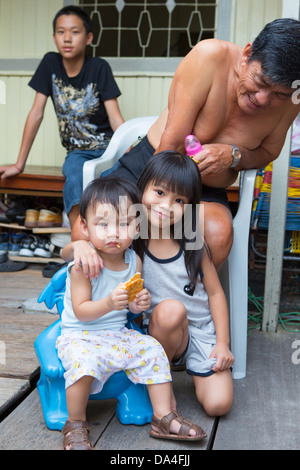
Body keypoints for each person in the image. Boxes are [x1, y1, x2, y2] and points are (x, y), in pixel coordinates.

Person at [71, 18, 300, 269]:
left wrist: (233, 155)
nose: (264, 99)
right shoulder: (209, 57)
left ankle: (179, 301)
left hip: (204, 190)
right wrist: (147, 208)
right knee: (91, 228)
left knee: (216, 236)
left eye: (279, 94)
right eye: (262, 82)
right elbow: (172, 142)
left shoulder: (292, 98)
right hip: (154, 162)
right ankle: (107, 301)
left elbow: (268, 152)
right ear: (247, 54)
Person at [62, 152, 234, 419]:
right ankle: (162, 391)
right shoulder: (129, 238)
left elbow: (215, 293)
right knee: (170, 311)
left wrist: (222, 343)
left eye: (179, 200)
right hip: (160, 331)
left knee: (219, 405)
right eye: (160, 192)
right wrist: (81, 245)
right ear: (143, 189)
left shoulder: (193, 244)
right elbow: (76, 242)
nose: (166, 205)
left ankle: (180, 372)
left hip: (200, 333)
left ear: (188, 207)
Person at [58, 176, 206, 450]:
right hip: (81, 335)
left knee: (152, 350)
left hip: (117, 334)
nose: (113, 233)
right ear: (85, 227)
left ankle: (162, 416)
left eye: (124, 224)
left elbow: (131, 306)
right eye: (103, 224)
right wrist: (109, 304)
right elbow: (80, 312)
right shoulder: (83, 264)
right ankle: (75, 423)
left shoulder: (133, 260)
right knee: (84, 362)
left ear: (137, 227)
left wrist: (138, 304)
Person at [0, 5, 124, 229]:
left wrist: (129, 151)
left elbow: (116, 119)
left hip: (108, 148)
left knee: (114, 184)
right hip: (77, 153)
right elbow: (36, 113)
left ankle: (109, 238)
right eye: (61, 31)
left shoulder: (99, 67)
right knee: (75, 176)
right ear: (54, 36)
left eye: (75, 32)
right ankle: (78, 236)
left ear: (88, 38)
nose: (67, 38)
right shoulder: (50, 64)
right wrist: (20, 163)